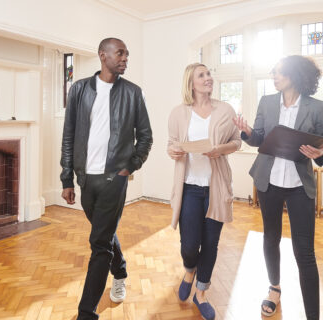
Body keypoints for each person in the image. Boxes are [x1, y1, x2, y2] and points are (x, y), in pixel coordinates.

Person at [60, 38, 153, 320]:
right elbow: (69, 136)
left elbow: (145, 136)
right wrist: (67, 178)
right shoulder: (79, 90)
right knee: (105, 232)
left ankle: (86, 312)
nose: (125, 58)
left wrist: (131, 165)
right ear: (103, 55)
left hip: (115, 179)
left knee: (99, 243)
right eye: (120, 53)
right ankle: (121, 269)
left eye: (127, 53)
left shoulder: (133, 93)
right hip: (86, 179)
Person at [232, 55, 323, 319]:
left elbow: (320, 154)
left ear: (295, 75)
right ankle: (274, 289)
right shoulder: (267, 101)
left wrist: (316, 152)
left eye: (279, 73)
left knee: (304, 252)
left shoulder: (316, 107)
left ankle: (313, 315)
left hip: (299, 186)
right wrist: (248, 131)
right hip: (268, 182)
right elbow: (259, 140)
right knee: (270, 238)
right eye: (273, 72)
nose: (274, 77)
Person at [167, 63, 241, 320]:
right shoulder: (178, 113)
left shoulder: (226, 109)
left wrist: (219, 150)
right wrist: (173, 151)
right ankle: (189, 270)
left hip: (216, 189)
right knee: (189, 245)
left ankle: (201, 293)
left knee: (210, 243)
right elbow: (172, 145)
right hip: (189, 187)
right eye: (202, 75)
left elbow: (237, 141)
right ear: (191, 83)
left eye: (209, 74)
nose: (208, 78)